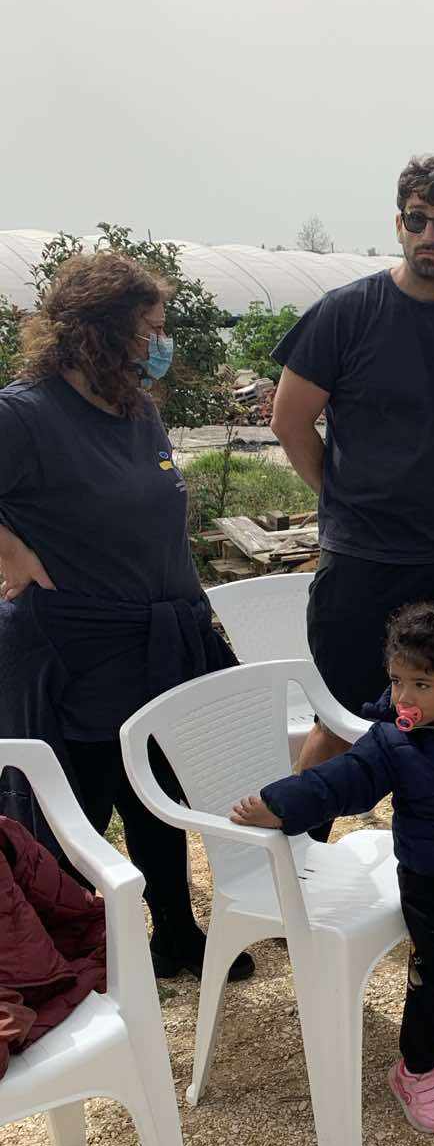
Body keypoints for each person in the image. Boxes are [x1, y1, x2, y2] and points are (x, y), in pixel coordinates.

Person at [0, 251, 251, 981]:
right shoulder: (25, 413)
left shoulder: (136, 409)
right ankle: (74, 950)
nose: (160, 344)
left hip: (158, 643)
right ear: (97, 332)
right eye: (150, 329)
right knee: (78, 807)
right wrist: (9, 549)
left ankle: (174, 932)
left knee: (155, 788)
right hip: (77, 649)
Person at [230, 601, 434, 1136]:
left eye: (422, 685)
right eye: (397, 681)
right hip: (432, 882)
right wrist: (281, 804)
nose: (404, 697)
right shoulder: (393, 739)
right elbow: (344, 778)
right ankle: (416, 1070)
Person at [269, 153, 434, 793]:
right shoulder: (347, 312)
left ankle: (433, 845)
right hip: (364, 563)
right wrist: (339, 497)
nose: (429, 236)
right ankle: (298, 843)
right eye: (417, 220)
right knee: (342, 722)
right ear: (398, 224)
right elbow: (289, 420)